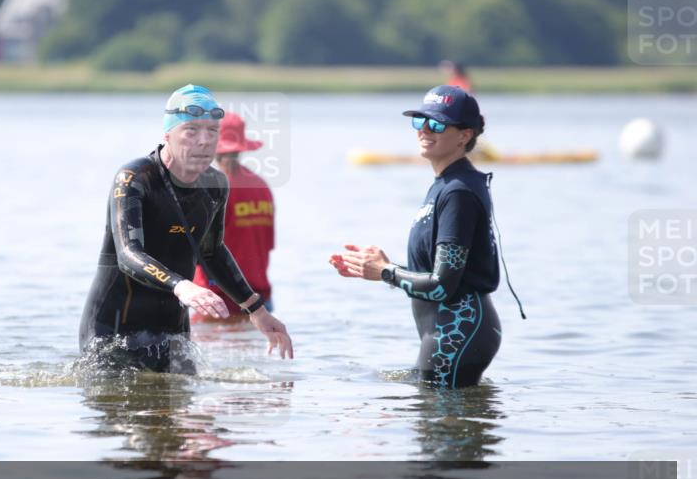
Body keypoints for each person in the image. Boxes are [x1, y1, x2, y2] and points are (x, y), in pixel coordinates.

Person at [79, 84, 294, 373]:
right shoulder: (135, 177)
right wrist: (180, 285)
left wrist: (256, 309)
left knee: (192, 414)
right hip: (115, 328)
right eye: (191, 131)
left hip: (172, 330)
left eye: (212, 132)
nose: (204, 141)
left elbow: (213, 252)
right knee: (127, 414)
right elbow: (128, 254)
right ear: (168, 134)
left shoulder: (216, 184)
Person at [329, 85, 501, 388]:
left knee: (438, 429)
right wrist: (381, 265)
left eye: (436, 124)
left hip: (457, 332)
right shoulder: (446, 185)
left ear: (464, 135)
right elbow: (434, 275)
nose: (424, 130)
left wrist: (384, 272)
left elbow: (441, 286)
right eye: (419, 122)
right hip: (447, 333)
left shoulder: (458, 191)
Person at [192, 112, 275, 322]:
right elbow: (267, 244)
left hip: (218, 299)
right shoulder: (260, 186)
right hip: (259, 299)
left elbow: (199, 251)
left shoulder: (212, 188)